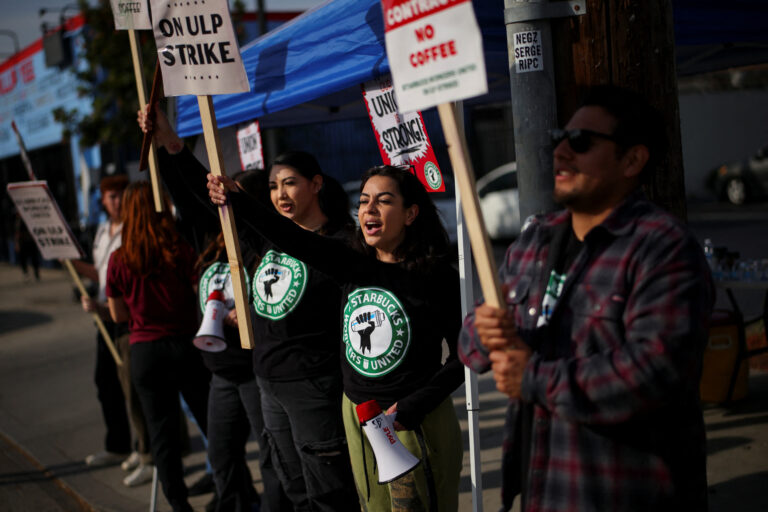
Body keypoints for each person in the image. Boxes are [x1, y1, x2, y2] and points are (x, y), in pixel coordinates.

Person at [459, 85, 714, 511]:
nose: (561, 152)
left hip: (624, 495)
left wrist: (534, 377)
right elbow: (470, 347)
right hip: (544, 491)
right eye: (560, 138)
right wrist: (485, 329)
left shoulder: (663, 247)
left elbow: (656, 373)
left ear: (632, 160)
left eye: (580, 142)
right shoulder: (535, 240)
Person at [208, 164, 465, 512]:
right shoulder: (351, 262)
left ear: (410, 214)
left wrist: (413, 406)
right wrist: (237, 199)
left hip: (413, 422)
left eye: (383, 201)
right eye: (364, 201)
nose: (369, 209)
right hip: (357, 419)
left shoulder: (437, 277)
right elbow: (291, 237)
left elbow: (465, 355)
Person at [106, 181, 211, 512]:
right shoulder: (179, 249)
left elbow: (117, 314)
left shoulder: (119, 259)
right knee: (211, 421)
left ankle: (179, 504)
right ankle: (231, 488)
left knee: (161, 435)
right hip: (185, 345)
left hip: (145, 351)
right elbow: (198, 293)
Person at [69, 175, 135, 471]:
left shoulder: (133, 229)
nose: (117, 201)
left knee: (131, 382)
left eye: (121, 195)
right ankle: (118, 444)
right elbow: (101, 273)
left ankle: (144, 448)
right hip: (104, 315)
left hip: (126, 315)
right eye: (111, 196)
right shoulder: (101, 231)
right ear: (103, 200)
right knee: (105, 381)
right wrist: (72, 263)